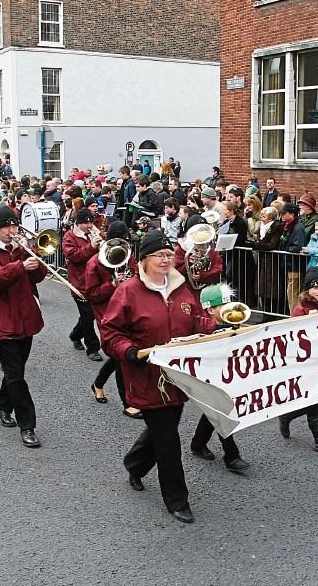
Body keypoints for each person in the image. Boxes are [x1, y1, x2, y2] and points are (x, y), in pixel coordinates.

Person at [101, 231, 218, 524]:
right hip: (146, 375)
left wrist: (215, 322)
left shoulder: (181, 289)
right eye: (159, 255)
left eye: (169, 254)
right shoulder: (128, 292)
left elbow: (193, 321)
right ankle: (177, 499)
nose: (166, 259)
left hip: (178, 375)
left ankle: (135, 463)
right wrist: (129, 351)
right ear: (143, 260)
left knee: (164, 428)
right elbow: (110, 332)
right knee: (168, 438)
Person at [0, 206, 48, 447]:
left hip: (25, 314)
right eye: (6, 227)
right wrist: (19, 266)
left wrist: (35, 257)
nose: (11, 231)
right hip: (2, 318)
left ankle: (0, 408)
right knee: (16, 375)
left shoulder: (21, 248)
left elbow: (38, 277)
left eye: (14, 226)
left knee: (15, 371)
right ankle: (27, 425)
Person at [189, 283, 252, 473]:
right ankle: (231, 455)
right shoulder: (202, 326)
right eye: (221, 307)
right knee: (221, 411)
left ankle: (198, 444)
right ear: (209, 309)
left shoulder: (229, 322)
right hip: (207, 375)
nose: (228, 309)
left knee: (214, 410)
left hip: (224, 373)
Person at [281, 268, 318, 456]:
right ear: (307, 290)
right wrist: (307, 321)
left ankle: (286, 416)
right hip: (306, 363)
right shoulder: (300, 309)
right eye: (315, 288)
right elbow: (293, 336)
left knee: (317, 398)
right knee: (313, 400)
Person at [84, 221, 140, 414]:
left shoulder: (128, 257)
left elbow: (136, 275)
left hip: (127, 309)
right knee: (121, 356)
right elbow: (91, 293)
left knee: (119, 355)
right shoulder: (94, 263)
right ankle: (127, 403)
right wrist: (113, 285)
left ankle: (98, 384)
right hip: (107, 313)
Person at [63, 208, 104, 361]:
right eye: (85, 223)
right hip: (79, 282)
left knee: (89, 314)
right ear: (78, 223)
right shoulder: (69, 237)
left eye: (90, 222)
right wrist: (91, 246)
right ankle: (92, 348)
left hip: (95, 280)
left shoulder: (93, 233)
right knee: (88, 316)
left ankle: (75, 335)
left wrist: (100, 236)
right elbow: (73, 256)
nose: (89, 225)